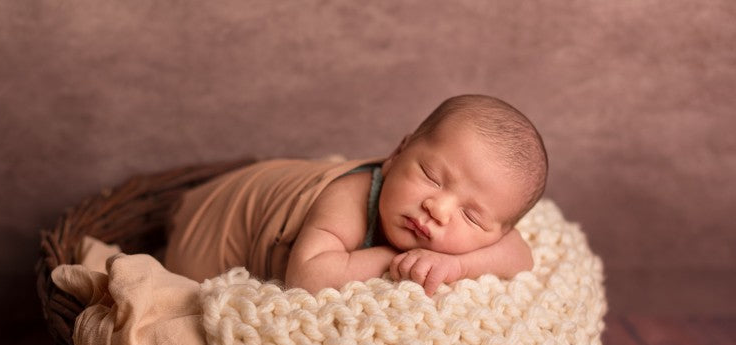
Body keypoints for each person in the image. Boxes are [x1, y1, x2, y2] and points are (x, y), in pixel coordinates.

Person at [164, 94, 547, 295]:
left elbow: (520, 255)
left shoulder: (486, 237)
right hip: (210, 231)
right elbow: (308, 278)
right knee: (189, 293)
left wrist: (456, 266)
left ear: (495, 231)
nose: (439, 208)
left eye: (472, 216)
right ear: (397, 154)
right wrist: (397, 257)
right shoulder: (350, 197)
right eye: (431, 176)